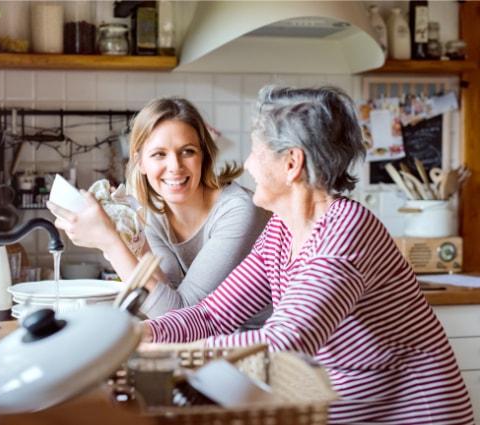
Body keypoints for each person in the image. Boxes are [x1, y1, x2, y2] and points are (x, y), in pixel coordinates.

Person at [142, 86, 474, 423]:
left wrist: (168, 357)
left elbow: (286, 341)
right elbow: (212, 316)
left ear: (291, 163)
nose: (246, 164)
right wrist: (144, 335)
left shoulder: (346, 229)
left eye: (256, 152)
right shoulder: (281, 230)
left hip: (412, 413)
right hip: (344, 405)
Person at [48, 97, 271, 325]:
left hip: (260, 343)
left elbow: (181, 315)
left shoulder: (237, 210)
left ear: (203, 157)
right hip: (209, 340)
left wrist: (110, 242)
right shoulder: (153, 213)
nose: (175, 166)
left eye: (188, 151)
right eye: (159, 154)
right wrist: (126, 235)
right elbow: (165, 296)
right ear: (140, 162)